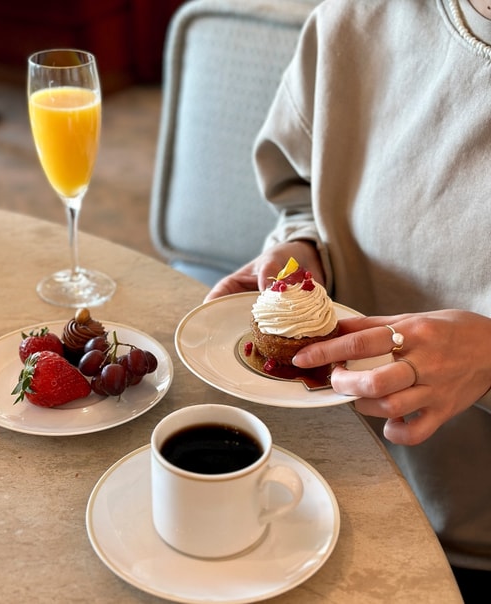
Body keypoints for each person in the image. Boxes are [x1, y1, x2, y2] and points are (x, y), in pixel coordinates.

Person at [205, 0, 491, 596]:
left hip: (471, 543)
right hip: (318, 484)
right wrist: (304, 253)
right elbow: (302, 194)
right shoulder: (354, 20)